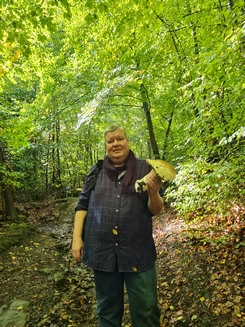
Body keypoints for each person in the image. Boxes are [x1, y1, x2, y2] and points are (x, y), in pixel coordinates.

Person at [72, 124, 163, 327]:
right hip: (102, 252)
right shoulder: (96, 171)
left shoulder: (146, 168)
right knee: (107, 311)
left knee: (146, 310)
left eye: (119, 139)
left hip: (138, 251)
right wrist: (77, 238)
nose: (115, 144)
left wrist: (153, 192)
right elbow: (82, 205)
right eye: (110, 141)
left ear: (127, 141)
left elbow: (155, 209)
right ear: (105, 146)